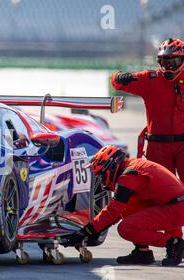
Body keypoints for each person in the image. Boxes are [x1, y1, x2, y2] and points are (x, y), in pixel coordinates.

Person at [64, 145, 184, 266]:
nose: (102, 180)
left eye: (102, 174)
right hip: (174, 206)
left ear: (111, 166)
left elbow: (113, 211)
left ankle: (174, 243)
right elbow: (118, 211)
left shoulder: (128, 176)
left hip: (175, 209)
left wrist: (86, 231)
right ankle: (142, 252)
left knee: (126, 228)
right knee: (127, 206)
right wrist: (92, 230)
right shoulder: (132, 166)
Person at [111, 38, 184, 181]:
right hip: (157, 147)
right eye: (164, 62)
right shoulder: (150, 80)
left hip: (183, 146)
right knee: (159, 189)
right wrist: (119, 76)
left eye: (172, 62)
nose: (168, 67)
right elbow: (115, 83)